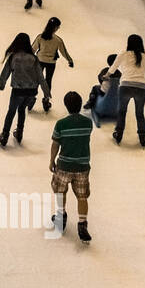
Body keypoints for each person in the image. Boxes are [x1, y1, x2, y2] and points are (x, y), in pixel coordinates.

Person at [50, 90, 95, 243]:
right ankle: (82, 224)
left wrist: (52, 161)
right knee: (82, 196)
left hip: (64, 165)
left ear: (66, 106)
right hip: (82, 166)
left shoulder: (61, 124)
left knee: (60, 192)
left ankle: (61, 216)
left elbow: (55, 144)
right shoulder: (88, 123)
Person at [0, 32, 50, 148]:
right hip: (31, 91)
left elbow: (5, 72)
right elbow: (40, 77)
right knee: (22, 110)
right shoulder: (34, 59)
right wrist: (46, 92)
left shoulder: (13, 57)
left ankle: (5, 135)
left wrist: (1, 85)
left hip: (18, 90)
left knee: (11, 112)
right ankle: (19, 133)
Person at [108, 35, 145, 147]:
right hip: (141, 87)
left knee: (122, 111)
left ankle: (119, 134)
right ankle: (142, 137)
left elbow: (114, 66)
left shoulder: (124, 53)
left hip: (125, 86)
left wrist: (107, 75)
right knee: (139, 113)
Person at [33, 17, 75, 111]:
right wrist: (70, 60)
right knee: (48, 80)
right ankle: (46, 99)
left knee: (36, 79)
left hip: (40, 60)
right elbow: (64, 52)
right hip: (51, 63)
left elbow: (32, 49)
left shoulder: (40, 37)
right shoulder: (58, 40)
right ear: (55, 27)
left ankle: (31, 98)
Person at [84, 53, 121, 128]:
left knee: (95, 88)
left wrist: (103, 83)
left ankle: (91, 102)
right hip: (115, 94)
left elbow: (100, 78)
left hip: (104, 93)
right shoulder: (119, 73)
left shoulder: (105, 70)